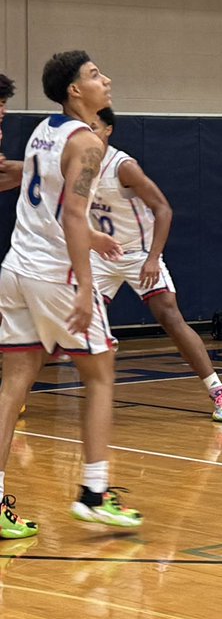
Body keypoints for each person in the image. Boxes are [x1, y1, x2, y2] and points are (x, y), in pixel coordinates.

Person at [0, 50, 143, 539]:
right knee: (101, 371)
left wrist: (93, 239)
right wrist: (86, 285)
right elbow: (72, 214)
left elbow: (47, 200)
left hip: (16, 269)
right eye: (94, 74)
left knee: (13, 384)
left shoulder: (45, 129)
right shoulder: (89, 144)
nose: (106, 79)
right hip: (54, 277)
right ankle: (95, 494)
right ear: (75, 91)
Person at [89, 107, 222, 421]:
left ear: (108, 130)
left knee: (170, 316)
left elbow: (164, 210)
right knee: (64, 316)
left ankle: (219, 391)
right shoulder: (77, 163)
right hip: (100, 253)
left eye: (94, 126)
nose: (87, 133)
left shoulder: (123, 166)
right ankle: (20, 393)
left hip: (139, 253)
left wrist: (154, 257)